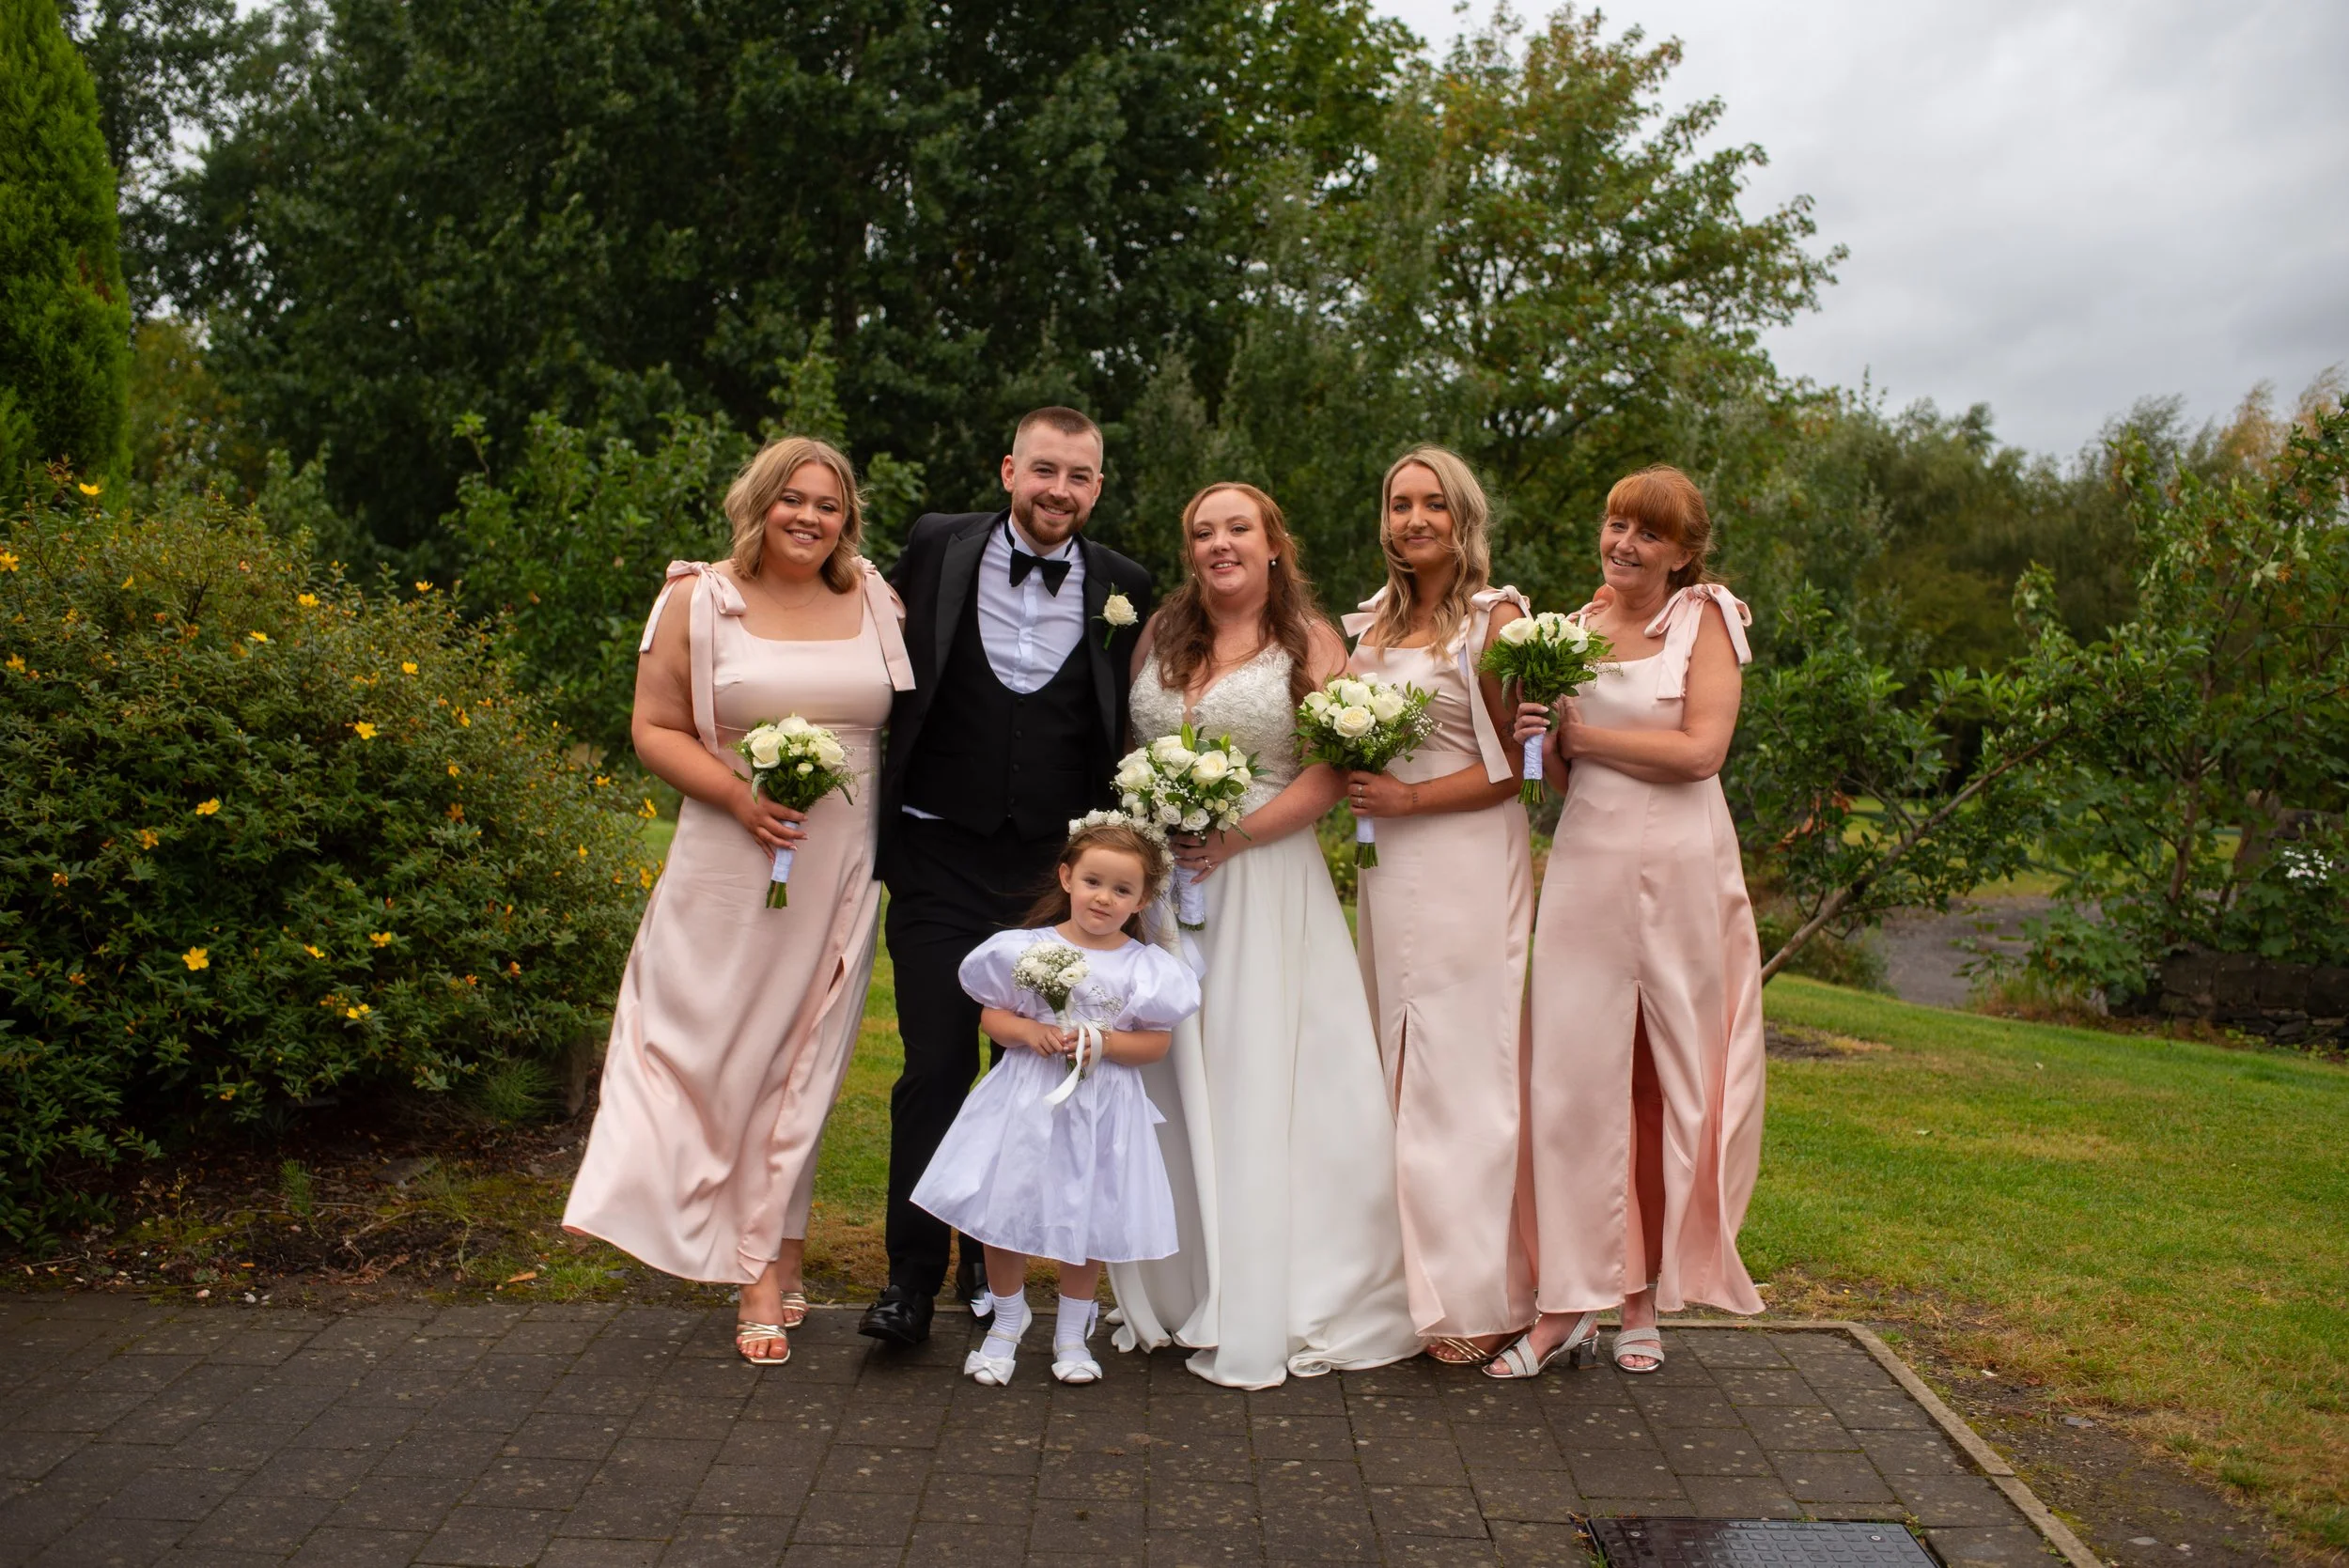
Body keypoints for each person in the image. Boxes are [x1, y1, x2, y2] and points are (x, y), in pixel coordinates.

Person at [564, 435, 913, 1367]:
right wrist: (736, 795)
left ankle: (771, 1256)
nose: (810, 517)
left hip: (840, 866)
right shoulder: (696, 598)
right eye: (792, 499)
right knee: (715, 1050)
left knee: (804, 1060)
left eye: (828, 505)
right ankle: (687, 1218)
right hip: (730, 856)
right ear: (756, 502)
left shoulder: (873, 596)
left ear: (848, 518)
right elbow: (653, 726)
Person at [1108, 481, 1423, 1389]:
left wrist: (1237, 833)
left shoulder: (1311, 641)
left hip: (1265, 876)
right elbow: (1131, 750)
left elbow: (1337, 765)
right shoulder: (1160, 635)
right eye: (1201, 530)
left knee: (1256, 1068)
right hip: (1168, 883)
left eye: (1237, 528)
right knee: (1169, 1068)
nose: (1219, 543)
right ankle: (1178, 1282)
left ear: (1274, 542)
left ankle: (1269, 1284)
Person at [862, 408, 1156, 1347]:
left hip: (1048, 882)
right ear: (1007, 470)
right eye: (1042, 470)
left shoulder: (1124, 586)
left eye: (1077, 475)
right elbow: (832, 581)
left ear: (1097, 488)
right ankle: (909, 1276)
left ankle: (991, 1281)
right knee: (935, 1067)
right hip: (938, 855)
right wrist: (704, 576)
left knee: (1028, 1078)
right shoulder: (935, 545)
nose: (1057, 490)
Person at [1491, 463, 1766, 1381]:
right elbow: (1558, 781)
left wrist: (1582, 733)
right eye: (1614, 523)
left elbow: (1700, 751)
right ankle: (1564, 1303)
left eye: (1646, 532)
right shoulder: (1566, 632)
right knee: (1569, 1088)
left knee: (1656, 1083)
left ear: (1683, 552)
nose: (1622, 542)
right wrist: (1539, 737)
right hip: (1586, 868)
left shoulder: (1704, 619)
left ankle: (1641, 1298)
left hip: (1683, 869)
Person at [1340, 448, 1537, 1367]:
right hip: (1387, 869)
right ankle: (1403, 1276)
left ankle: (1475, 1293)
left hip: (1460, 857)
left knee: (1460, 1072)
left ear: (1462, 517)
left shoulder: (1496, 622)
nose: (1413, 519)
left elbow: (1514, 772)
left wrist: (1410, 799)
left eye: (1431, 504)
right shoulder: (1373, 618)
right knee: (1396, 1061)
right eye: (1398, 504)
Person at [912, 815, 1200, 1386]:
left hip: (1103, 1107)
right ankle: (1006, 1321)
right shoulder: (1024, 948)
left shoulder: (1146, 967)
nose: (1104, 898)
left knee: (1087, 1213)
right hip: (1027, 1096)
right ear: (1067, 877)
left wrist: (1106, 1043)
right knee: (1006, 1210)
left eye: (1123, 890)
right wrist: (1028, 1034)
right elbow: (993, 1015)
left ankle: (1072, 1331)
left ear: (1142, 899)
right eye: (1094, 881)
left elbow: (1156, 1044)